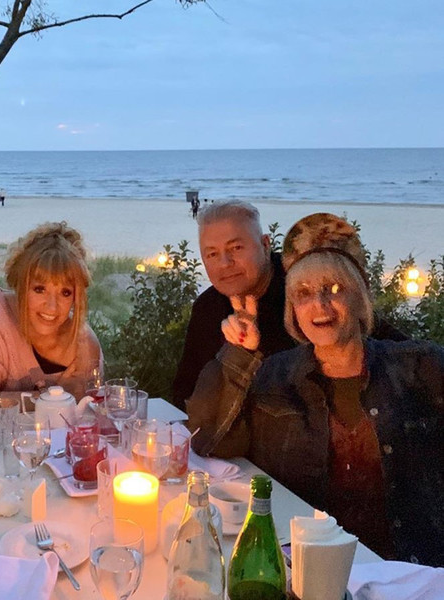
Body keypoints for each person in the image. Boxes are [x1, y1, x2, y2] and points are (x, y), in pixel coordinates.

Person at [187, 213, 444, 567]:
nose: (319, 306)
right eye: (303, 293)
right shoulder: (275, 375)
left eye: (334, 289)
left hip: (408, 569)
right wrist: (238, 356)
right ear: (293, 308)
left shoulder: (420, 367)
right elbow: (208, 439)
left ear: (359, 297)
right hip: (306, 559)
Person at [171, 200, 407, 411]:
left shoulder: (305, 286)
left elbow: (393, 346)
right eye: (212, 254)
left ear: (265, 244)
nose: (225, 263)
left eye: (236, 248)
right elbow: (185, 396)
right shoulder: (208, 308)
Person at [0, 221, 102, 423]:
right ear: (19, 285)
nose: (52, 306)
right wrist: (59, 397)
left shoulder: (84, 345)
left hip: (42, 439)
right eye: (39, 289)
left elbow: (87, 414)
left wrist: (8, 399)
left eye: (65, 292)